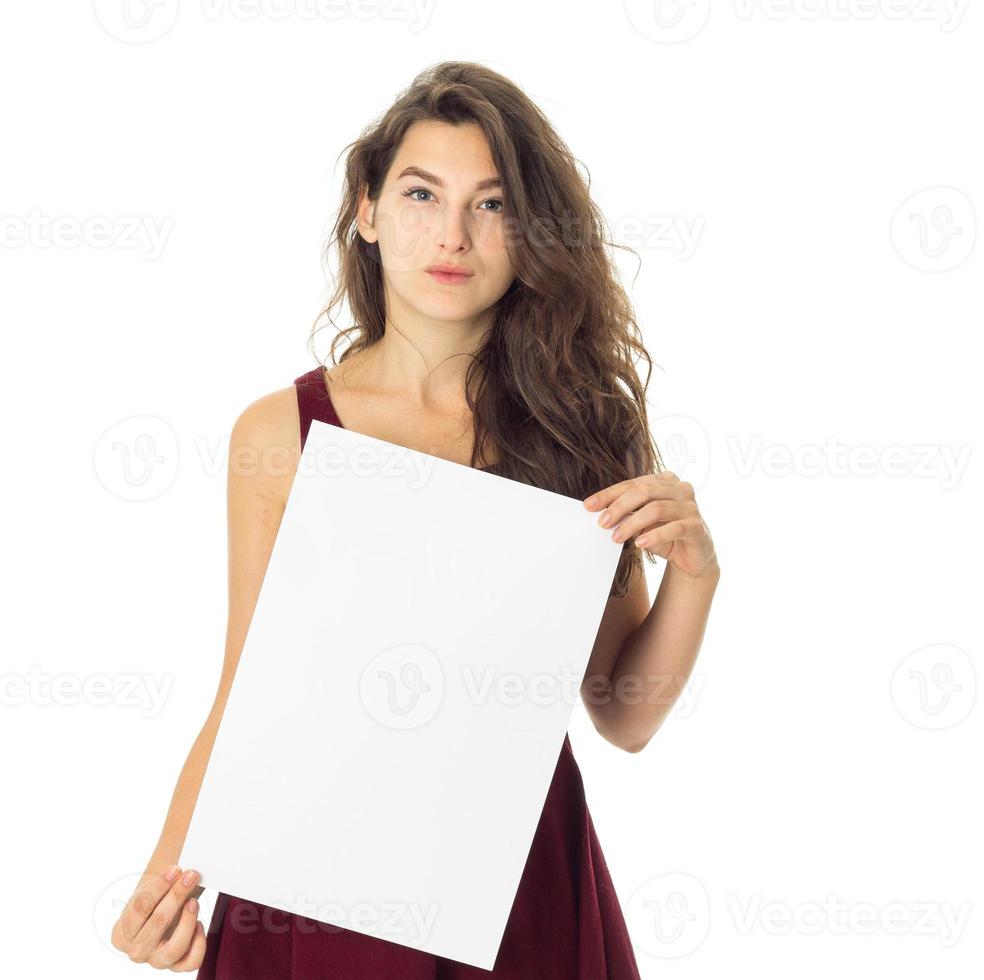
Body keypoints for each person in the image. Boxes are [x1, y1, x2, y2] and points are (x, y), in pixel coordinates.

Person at [110, 60, 719, 977]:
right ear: (366, 210)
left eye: (492, 203)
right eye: (422, 193)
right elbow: (246, 691)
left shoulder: (579, 426)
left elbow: (621, 716)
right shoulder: (283, 433)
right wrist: (167, 876)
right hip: (318, 879)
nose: (453, 235)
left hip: (517, 879)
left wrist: (696, 575)